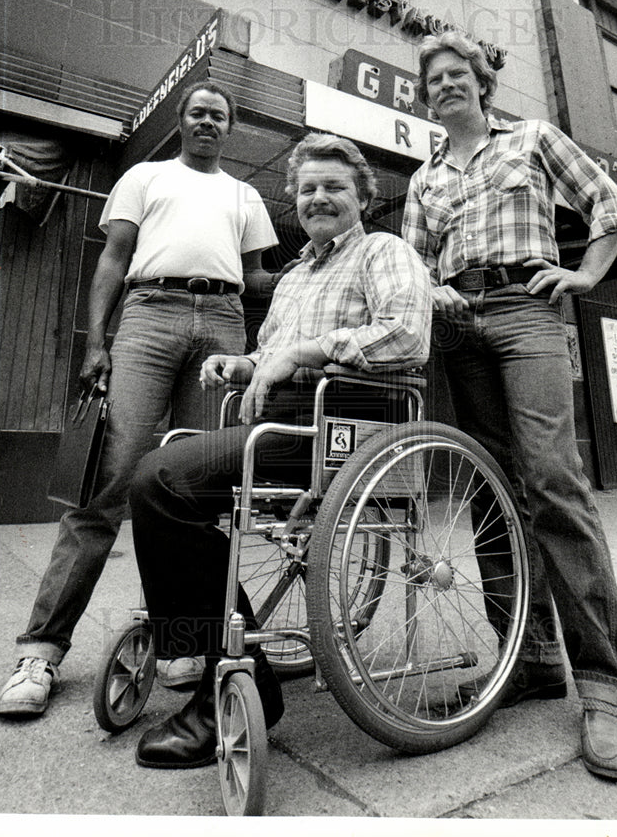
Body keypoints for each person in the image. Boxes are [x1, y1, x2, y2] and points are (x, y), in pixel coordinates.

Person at [128, 132, 432, 769]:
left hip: (347, 426)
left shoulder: (385, 250)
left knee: (162, 482)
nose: (320, 198)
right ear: (294, 199)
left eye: (335, 187)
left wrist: (306, 352)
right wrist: (240, 364)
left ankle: (232, 677)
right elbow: (272, 356)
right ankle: (213, 651)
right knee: (163, 478)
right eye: (309, 189)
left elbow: (406, 336)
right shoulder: (294, 277)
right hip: (284, 425)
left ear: (363, 197)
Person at [0, 81, 280, 717]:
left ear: (229, 129)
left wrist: (323, 257)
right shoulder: (146, 178)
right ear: (182, 121)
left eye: (219, 116)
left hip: (225, 318)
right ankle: (40, 650)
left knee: (198, 488)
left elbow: (258, 274)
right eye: (199, 113)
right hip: (149, 313)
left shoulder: (245, 194)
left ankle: (183, 641)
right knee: (107, 483)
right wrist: (97, 341)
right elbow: (113, 259)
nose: (208, 122)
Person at [401, 30, 617, 781]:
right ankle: (530, 659)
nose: (444, 84)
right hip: (457, 327)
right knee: (492, 496)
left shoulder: (532, 138)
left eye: (455, 73)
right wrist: (427, 291)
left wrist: (580, 275)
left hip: (525, 311)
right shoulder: (423, 179)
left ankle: (605, 687)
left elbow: (608, 204)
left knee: (551, 482)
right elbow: (409, 262)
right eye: (431, 78)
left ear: (480, 82)